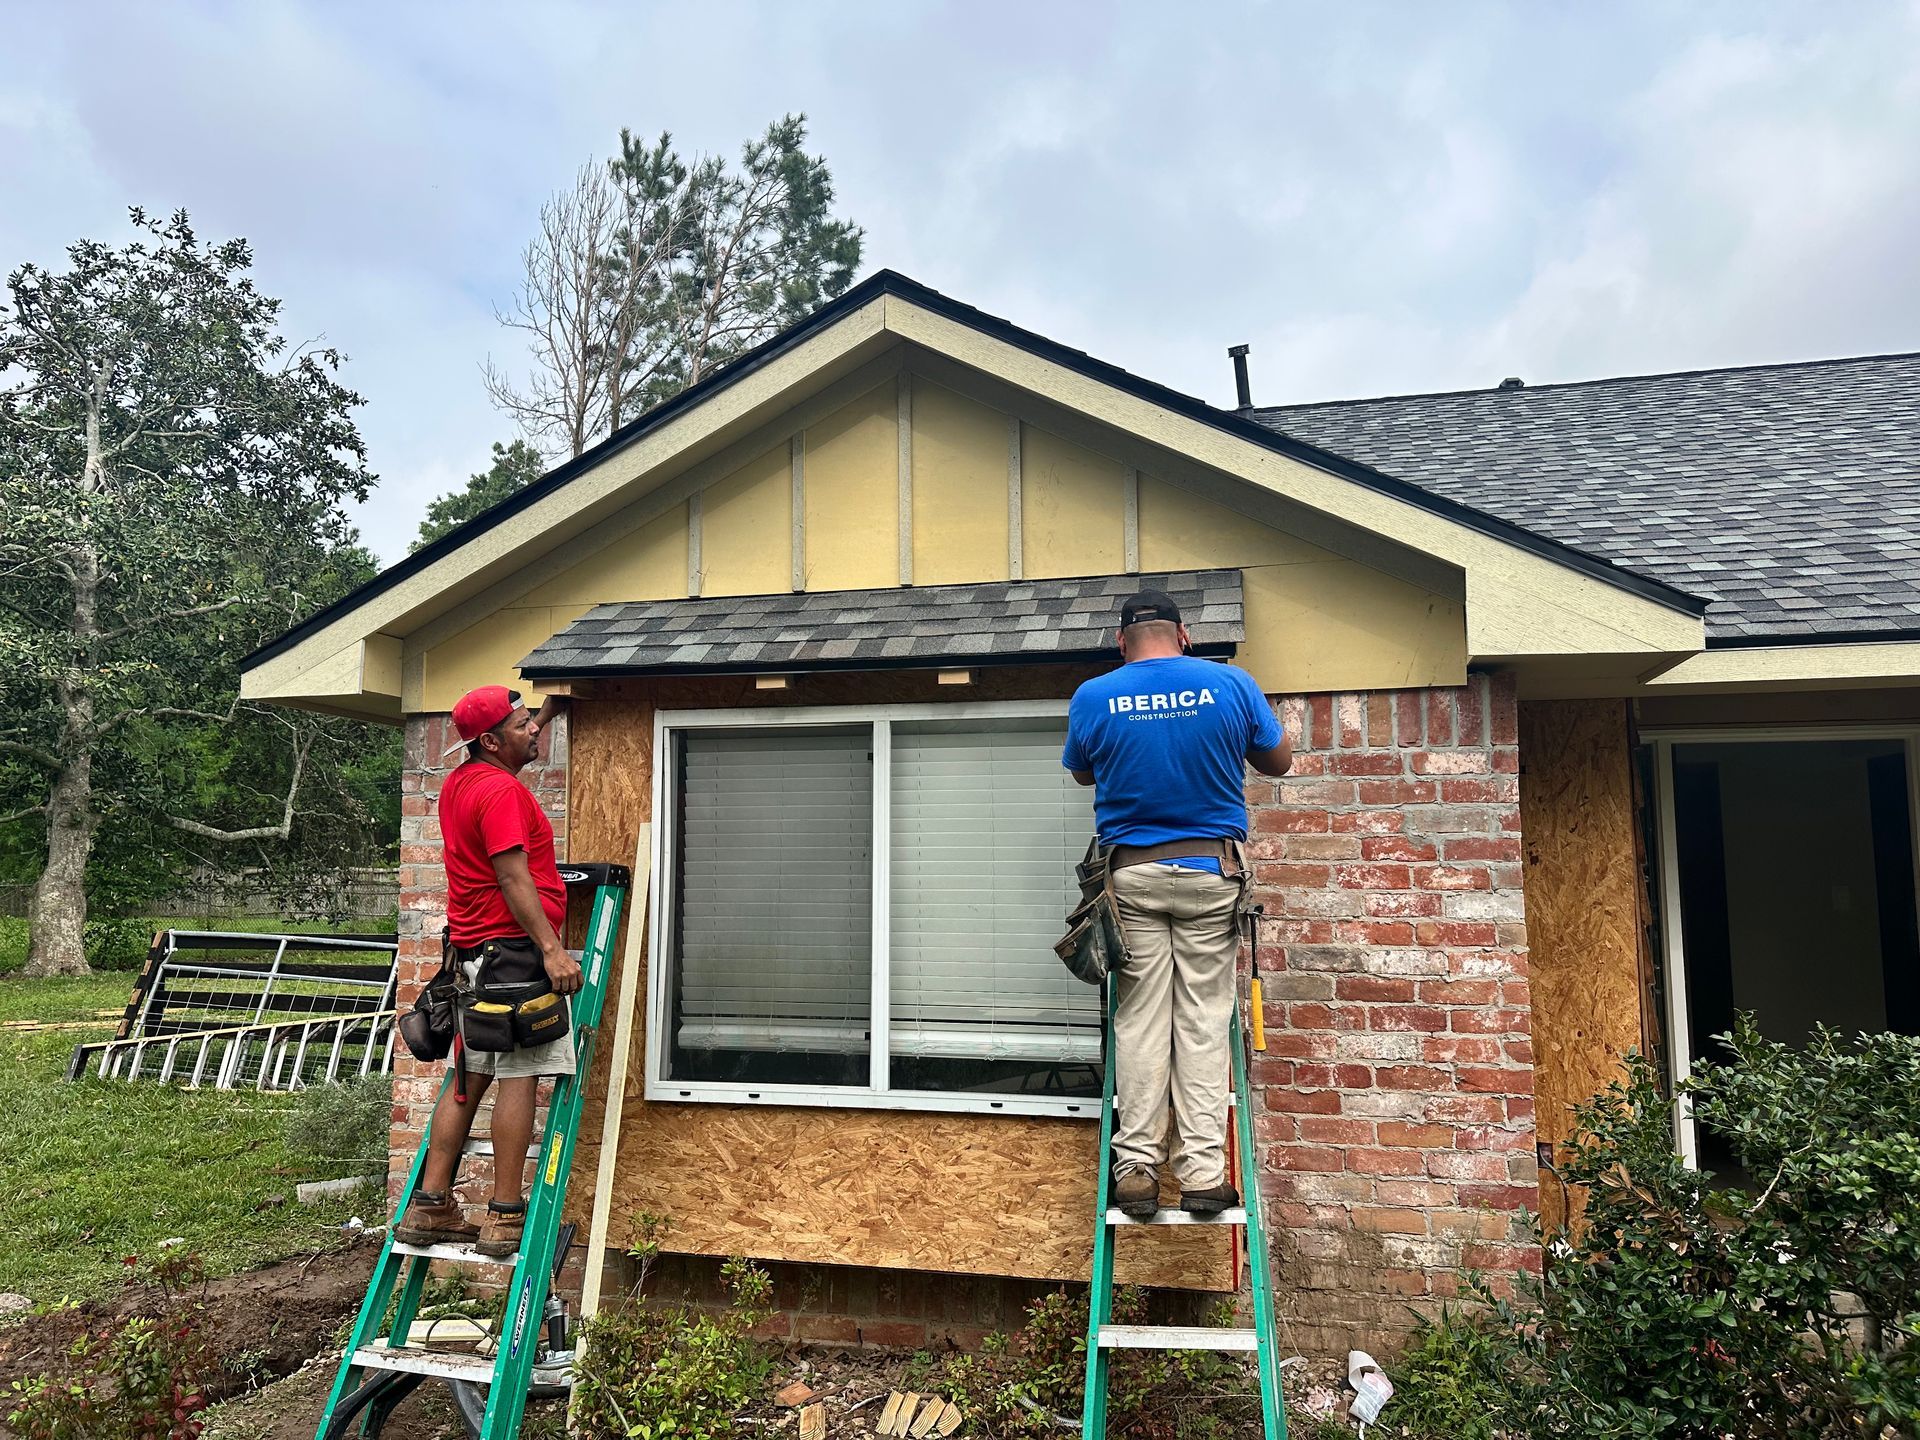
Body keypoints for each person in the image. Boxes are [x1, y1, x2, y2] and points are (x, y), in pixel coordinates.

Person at [1062, 590, 1292, 1218]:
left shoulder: (1094, 696)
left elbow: (1084, 771)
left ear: (1120, 643)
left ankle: (1136, 1170)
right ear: (1184, 635)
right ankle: (1202, 1174)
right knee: (1199, 1021)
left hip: (1131, 877)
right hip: (1209, 873)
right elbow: (1278, 762)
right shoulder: (1230, 684)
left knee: (1139, 1021)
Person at [395, 684, 581, 1259]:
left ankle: (430, 1205)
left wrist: (546, 712)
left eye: (533, 720)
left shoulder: (464, 781)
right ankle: (505, 1216)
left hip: (473, 956)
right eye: (523, 725)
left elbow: (506, 764)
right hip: (516, 954)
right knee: (519, 1074)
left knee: (467, 1077)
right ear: (492, 740)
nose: (535, 731)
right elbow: (513, 876)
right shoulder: (500, 792)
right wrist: (551, 950)